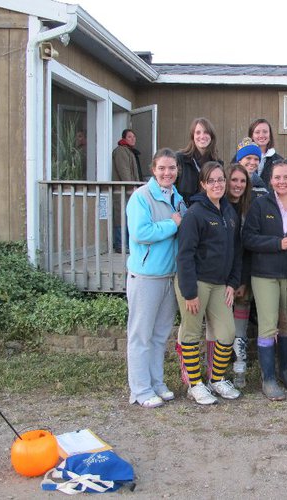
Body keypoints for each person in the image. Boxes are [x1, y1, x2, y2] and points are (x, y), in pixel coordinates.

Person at [175, 162, 243, 405]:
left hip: (220, 284)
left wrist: (232, 283)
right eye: (211, 180)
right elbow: (184, 255)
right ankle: (195, 384)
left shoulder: (229, 212)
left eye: (220, 180)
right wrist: (189, 292)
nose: (217, 184)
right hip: (196, 283)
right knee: (192, 333)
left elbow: (236, 251)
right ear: (203, 184)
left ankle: (216, 379)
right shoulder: (195, 213)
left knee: (227, 333)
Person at [243, 160, 287, 401]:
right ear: (270, 180)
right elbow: (248, 238)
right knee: (269, 326)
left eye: (286, 177)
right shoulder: (260, 204)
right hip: (265, 274)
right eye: (277, 178)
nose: (282, 181)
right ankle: (268, 378)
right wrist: (276, 244)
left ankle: (284, 371)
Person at [125, 148, 185, 408]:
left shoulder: (178, 197)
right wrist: (172, 224)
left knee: (160, 335)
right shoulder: (141, 197)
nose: (167, 172)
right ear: (153, 169)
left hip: (169, 275)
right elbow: (140, 232)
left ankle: (156, 383)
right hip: (146, 276)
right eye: (162, 168)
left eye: (171, 168)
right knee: (141, 335)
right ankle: (140, 389)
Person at [225, 163, 253, 388]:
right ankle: (215, 369)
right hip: (218, 277)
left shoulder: (249, 209)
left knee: (240, 328)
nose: (238, 185)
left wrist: (242, 280)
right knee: (219, 327)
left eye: (242, 181)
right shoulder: (219, 206)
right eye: (234, 180)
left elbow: (246, 247)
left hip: (242, 275)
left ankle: (240, 367)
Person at [175, 118, 222, 205]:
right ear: (193, 136)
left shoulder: (217, 163)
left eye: (206, 132)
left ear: (211, 136)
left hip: (207, 214)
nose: (202, 136)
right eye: (198, 132)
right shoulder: (180, 159)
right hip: (183, 214)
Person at [112, 129, 142, 252]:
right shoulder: (121, 151)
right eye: (130, 137)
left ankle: (128, 244)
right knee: (121, 217)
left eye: (134, 137)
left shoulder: (130, 151)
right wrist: (131, 185)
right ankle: (120, 244)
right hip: (123, 191)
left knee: (129, 217)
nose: (133, 139)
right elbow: (124, 171)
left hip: (130, 191)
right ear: (123, 138)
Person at [238, 118, 283, 187]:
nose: (261, 135)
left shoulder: (279, 161)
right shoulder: (240, 156)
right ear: (251, 136)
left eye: (265, 132)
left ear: (270, 135)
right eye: (257, 132)